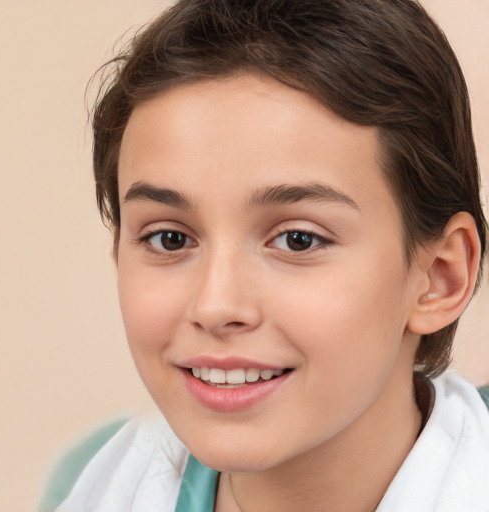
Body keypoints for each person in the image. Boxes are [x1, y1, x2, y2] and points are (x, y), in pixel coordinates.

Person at [47, 0, 489, 510]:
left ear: (440, 277)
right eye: (170, 238)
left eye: (298, 240)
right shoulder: (89, 481)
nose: (215, 306)